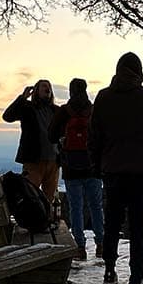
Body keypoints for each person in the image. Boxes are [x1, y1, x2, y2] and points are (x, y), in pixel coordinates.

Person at [90, 52, 143, 284]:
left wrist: (97, 166)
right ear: (139, 71)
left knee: (112, 223)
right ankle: (136, 276)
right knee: (138, 224)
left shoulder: (103, 97)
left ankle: (109, 273)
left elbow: (94, 136)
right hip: (141, 170)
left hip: (112, 171)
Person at [49, 78, 104, 261]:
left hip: (71, 167)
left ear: (71, 91)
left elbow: (51, 135)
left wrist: (62, 139)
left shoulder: (65, 111)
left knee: (76, 208)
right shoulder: (94, 110)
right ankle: (101, 244)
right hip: (93, 167)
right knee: (96, 207)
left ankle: (80, 247)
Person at [2, 79, 61, 216]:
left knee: (49, 199)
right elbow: (7, 116)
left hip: (53, 162)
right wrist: (22, 98)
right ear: (36, 91)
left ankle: (46, 225)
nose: (48, 89)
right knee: (30, 197)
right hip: (34, 162)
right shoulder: (27, 108)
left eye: (49, 87)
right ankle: (31, 227)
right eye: (44, 86)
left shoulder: (56, 110)